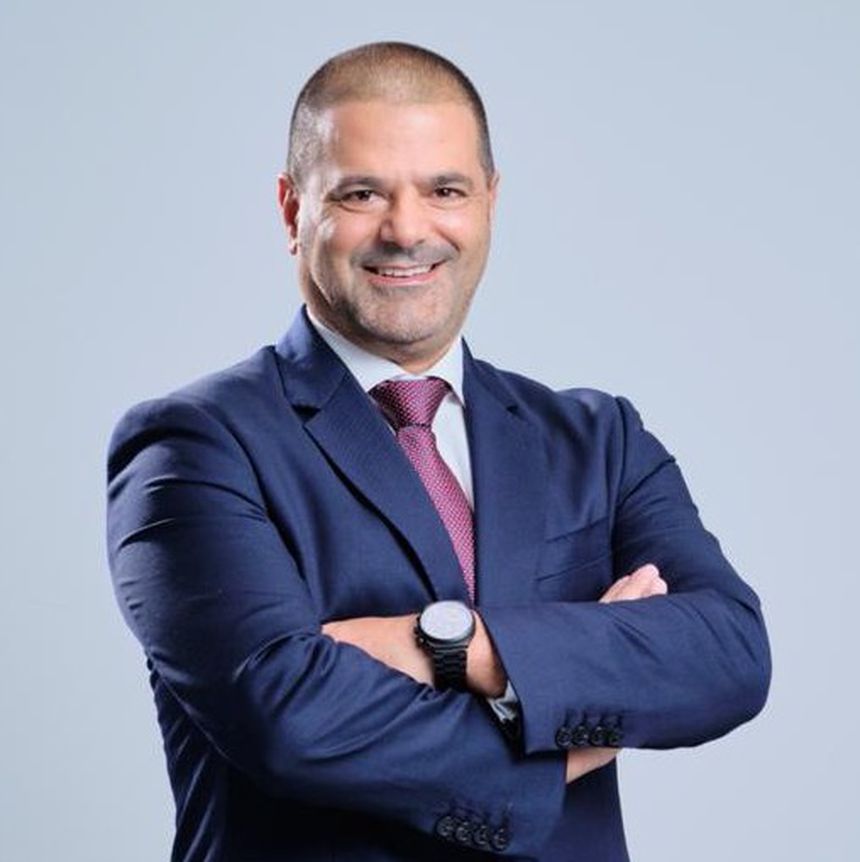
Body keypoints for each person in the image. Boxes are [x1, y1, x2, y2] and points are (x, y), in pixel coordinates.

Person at [105, 41, 771, 862]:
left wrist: (452, 645)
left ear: (490, 201)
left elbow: (730, 655)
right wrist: (570, 717)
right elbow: (286, 718)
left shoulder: (600, 440)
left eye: (444, 190)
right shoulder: (193, 446)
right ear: (291, 210)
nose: (407, 230)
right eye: (361, 193)